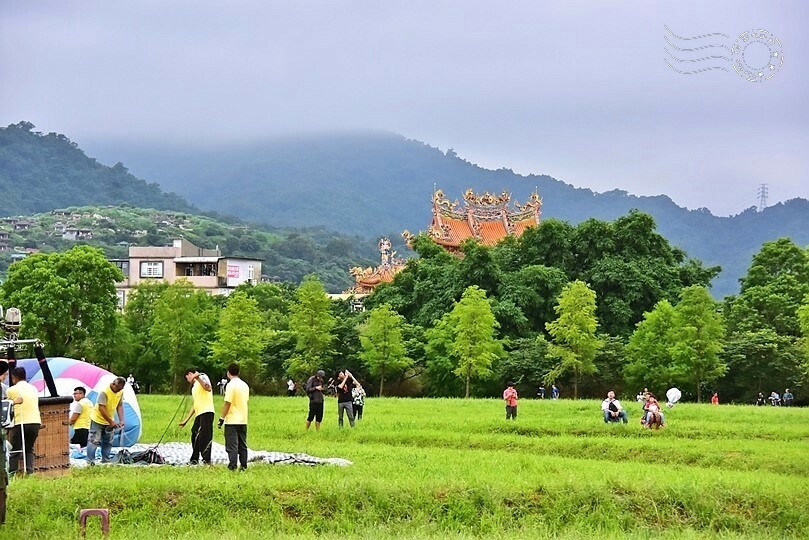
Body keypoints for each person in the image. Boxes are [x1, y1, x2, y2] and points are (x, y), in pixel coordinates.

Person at [7, 367, 42, 475]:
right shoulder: (34, 389)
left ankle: (12, 473)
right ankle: (29, 471)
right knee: (29, 448)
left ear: (13, 378)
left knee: (15, 449)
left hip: (21, 421)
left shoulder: (11, 390)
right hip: (35, 421)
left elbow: (8, 405)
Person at [179, 368, 215, 465]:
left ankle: (206, 459)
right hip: (199, 413)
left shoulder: (203, 377)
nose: (188, 381)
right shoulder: (194, 387)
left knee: (204, 436)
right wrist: (186, 420)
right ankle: (195, 458)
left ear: (190, 374)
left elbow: (208, 388)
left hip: (207, 411)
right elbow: (195, 404)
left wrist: (198, 377)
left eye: (187, 378)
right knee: (194, 433)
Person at [86, 377, 126, 465]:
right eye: (117, 388)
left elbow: (119, 405)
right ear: (113, 384)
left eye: (120, 389)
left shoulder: (120, 392)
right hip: (98, 419)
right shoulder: (104, 392)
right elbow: (101, 408)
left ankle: (105, 460)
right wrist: (111, 421)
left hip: (109, 420)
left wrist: (121, 420)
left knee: (108, 441)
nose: (118, 391)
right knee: (94, 441)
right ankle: (90, 461)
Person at [219, 363, 249, 471]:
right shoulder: (245, 385)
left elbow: (228, 403)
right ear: (239, 372)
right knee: (242, 444)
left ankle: (232, 466)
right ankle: (244, 465)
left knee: (232, 445)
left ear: (228, 373)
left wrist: (222, 418)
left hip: (232, 420)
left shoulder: (231, 385)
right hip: (243, 419)